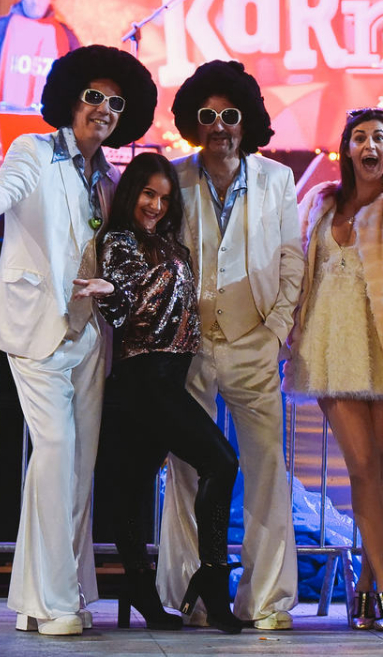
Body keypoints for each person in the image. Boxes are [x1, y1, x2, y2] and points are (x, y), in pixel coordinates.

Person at [0, 44, 157, 635]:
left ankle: (43, 596)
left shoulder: (111, 179)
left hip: (90, 336)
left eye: (116, 103)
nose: (103, 109)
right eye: (94, 96)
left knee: (76, 468)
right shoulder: (34, 150)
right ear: (72, 99)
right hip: (37, 326)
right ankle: (56, 603)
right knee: (56, 453)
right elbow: (2, 189)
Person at [283, 108, 383, 631]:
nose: (370, 145)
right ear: (347, 148)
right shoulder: (320, 201)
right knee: (360, 466)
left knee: (380, 464)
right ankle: (382, 584)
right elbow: (296, 264)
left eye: (380, 137)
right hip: (329, 344)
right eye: (360, 137)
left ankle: (366, 585)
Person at [156, 60, 303, 631]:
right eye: (208, 115)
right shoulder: (173, 177)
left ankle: (265, 600)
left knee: (267, 471)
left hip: (253, 342)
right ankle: (189, 596)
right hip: (187, 347)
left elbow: (290, 259)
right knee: (186, 473)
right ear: (193, 122)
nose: (219, 125)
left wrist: (275, 333)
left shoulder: (277, 179)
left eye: (231, 115)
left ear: (249, 122)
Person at [72, 153, 241, 633]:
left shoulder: (167, 243)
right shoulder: (121, 241)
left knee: (132, 488)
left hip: (162, 380)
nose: (156, 206)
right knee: (220, 462)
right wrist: (109, 290)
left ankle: (143, 588)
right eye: (148, 194)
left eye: (165, 199)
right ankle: (211, 580)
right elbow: (123, 300)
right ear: (132, 193)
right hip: (145, 380)